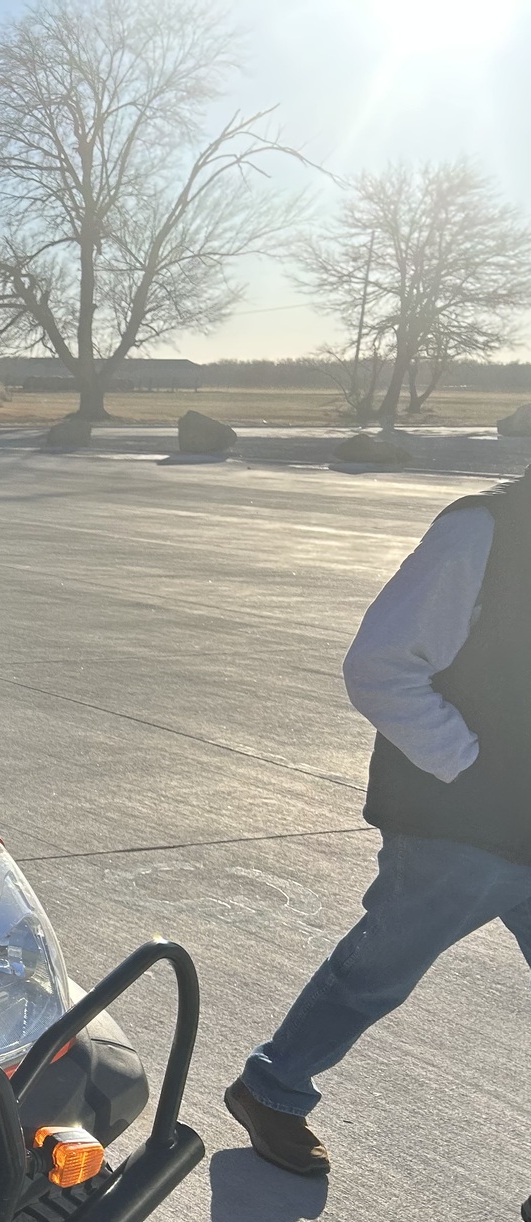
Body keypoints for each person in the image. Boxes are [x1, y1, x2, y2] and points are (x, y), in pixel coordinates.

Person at [228, 471, 531, 1178]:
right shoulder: (484, 531)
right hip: (460, 823)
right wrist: (470, 769)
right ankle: (270, 1091)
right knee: (379, 973)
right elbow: (382, 666)